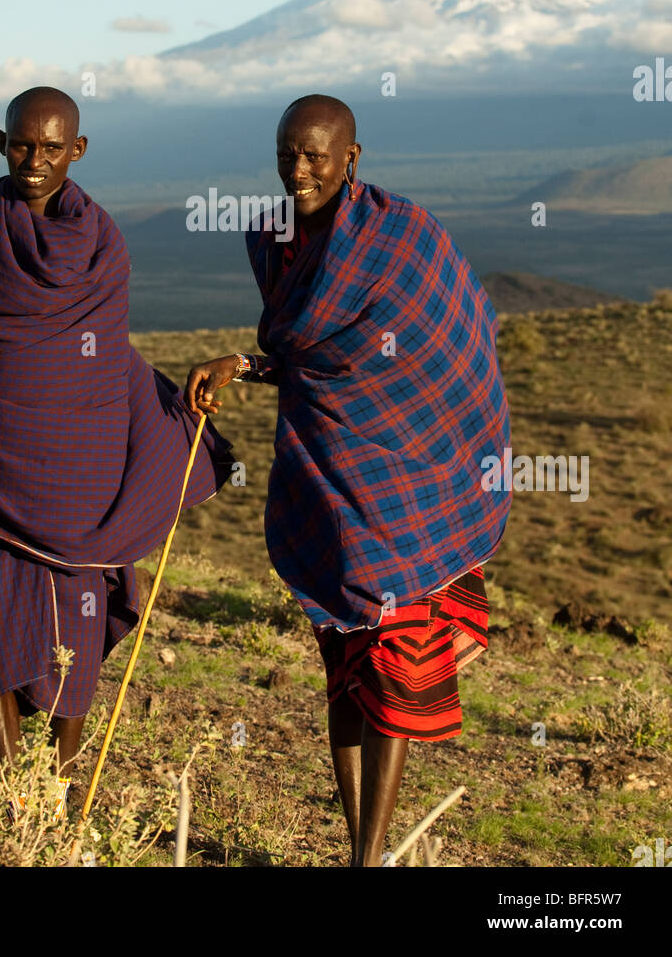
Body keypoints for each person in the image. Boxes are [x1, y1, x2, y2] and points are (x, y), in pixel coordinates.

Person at [0, 86, 232, 810]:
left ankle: (63, 784)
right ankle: (11, 788)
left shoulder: (100, 238)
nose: (33, 161)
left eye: (49, 148)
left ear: (78, 150)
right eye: (19, 145)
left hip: (79, 451)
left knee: (78, 603)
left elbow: (102, 354)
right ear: (0, 141)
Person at [184, 94, 511, 867]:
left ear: (351, 159)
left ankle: (369, 857)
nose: (298, 170)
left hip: (405, 488)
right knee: (341, 658)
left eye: (315, 155)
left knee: (390, 666)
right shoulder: (273, 237)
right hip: (323, 477)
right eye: (285, 153)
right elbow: (312, 357)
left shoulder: (402, 239)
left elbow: (450, 350)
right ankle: (354, 843)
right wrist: (244, 364)